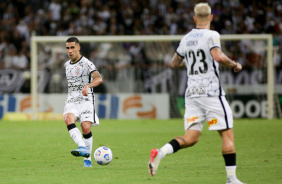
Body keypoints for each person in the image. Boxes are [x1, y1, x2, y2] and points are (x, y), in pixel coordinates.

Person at [148, 3, 245, 184]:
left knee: (190, 138)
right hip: (211, 92)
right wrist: (234, 64)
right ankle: (232, 179)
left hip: (192, 94)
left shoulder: (187, 38)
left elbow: (174, 63)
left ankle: (161, 152)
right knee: (227, 134)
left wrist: (191, 64)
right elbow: (217, 56)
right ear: (211, 17)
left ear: (194, 18)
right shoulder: (212, 35)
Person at [63, 37, 103, 167]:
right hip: (72, 99)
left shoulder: (87, 63)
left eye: (72, 47)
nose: (70, 51)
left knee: (85, 127)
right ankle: (82, 148)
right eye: (67, 48)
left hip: (86, 99)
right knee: (68, 119)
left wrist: (88, 86)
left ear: (78, 48)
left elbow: (99, 78)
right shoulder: (66, 65)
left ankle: (87, 159)